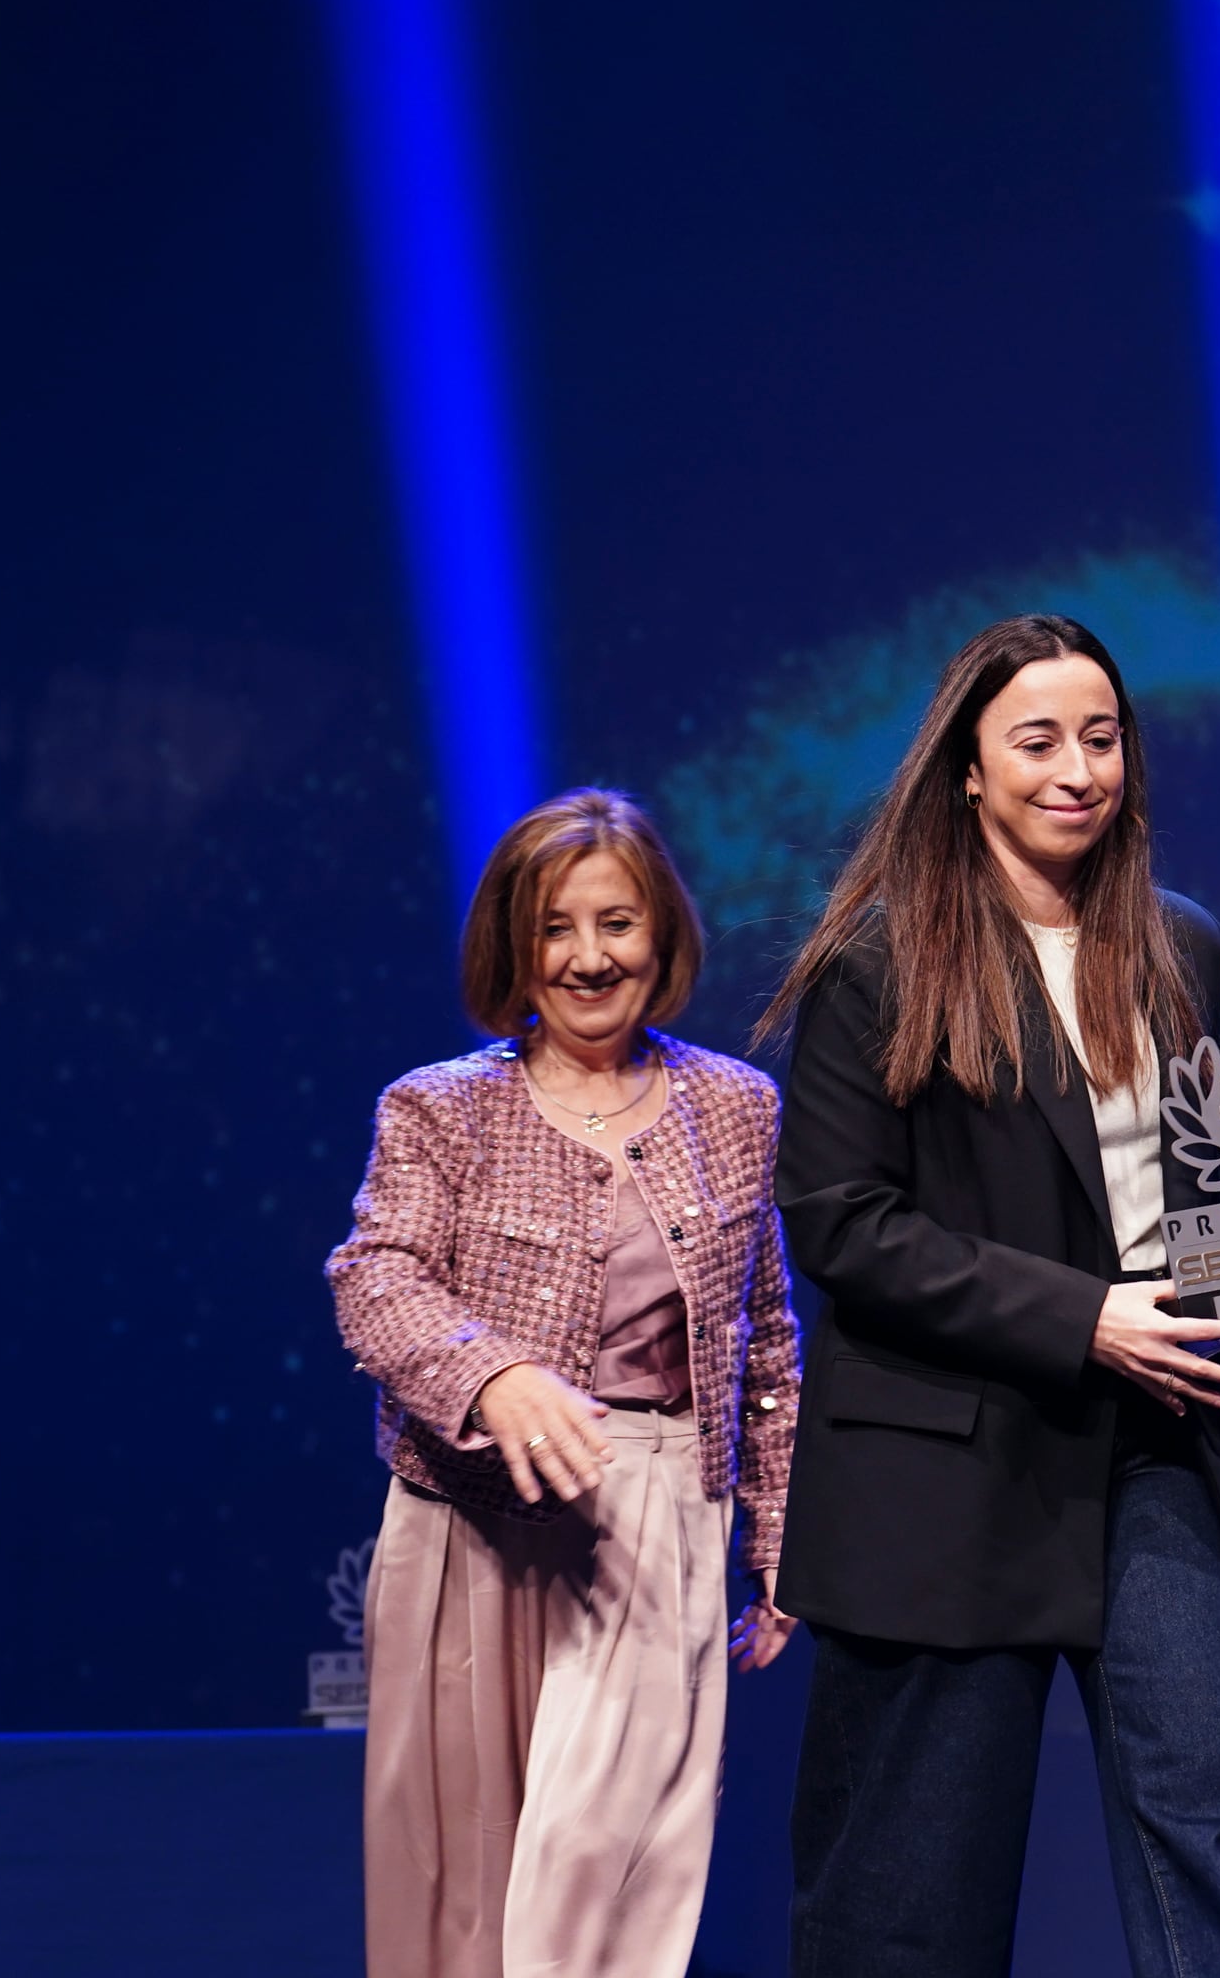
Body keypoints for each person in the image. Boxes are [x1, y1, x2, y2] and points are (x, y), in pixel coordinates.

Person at [757, 615, 1220, 1976]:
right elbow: (844, 1227)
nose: (1078, 769)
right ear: (966, 768)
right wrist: (1083, 1320)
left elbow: (1179, 1196)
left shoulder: (1178, 948)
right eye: (1038, 741)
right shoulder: (879, 965)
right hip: (952, 1461)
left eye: (1103, 736)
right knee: (914, 1881)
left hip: (1164, 1446)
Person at [330, 786, 803, 1978]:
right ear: (513, 943)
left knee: (597, 1861)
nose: (589, 958)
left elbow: (765, 1341)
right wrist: (492, 1379)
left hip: (651, 1516)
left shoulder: (735, 1107)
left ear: (664, 936)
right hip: (462, 1526)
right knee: (455, 1884)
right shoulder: (439, 1107)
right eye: (555, 928)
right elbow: (374, 1276)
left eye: (618, 923)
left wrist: (784, 1535)